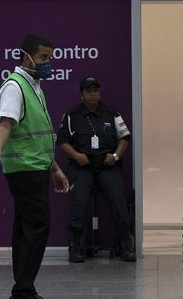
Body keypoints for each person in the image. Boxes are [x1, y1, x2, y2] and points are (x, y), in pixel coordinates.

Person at [0, 34, 70, 299]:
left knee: (25, 227)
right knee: (37, 226)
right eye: (42, 57)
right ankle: (24, 290)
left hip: (36, 167)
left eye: (49, 58)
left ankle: (22, 287)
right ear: (25, 56)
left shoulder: (35, 87)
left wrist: (54, 169)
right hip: (24, 169)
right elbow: (6, 122)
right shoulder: (15, 86)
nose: (47, 63)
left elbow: (36, 136)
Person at [57, 76, 136, 263]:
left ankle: (125, 244)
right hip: (82, 165)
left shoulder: (111, 113)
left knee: (118, 200)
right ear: (81, 94)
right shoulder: (71, 115)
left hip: (107, 165)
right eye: (89, 91)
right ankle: (76, 246)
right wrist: (77, 156)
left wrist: (115, 156)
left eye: (96, 91)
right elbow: (62, 142)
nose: (94, 94)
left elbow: (124, 137)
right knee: (80, 202)